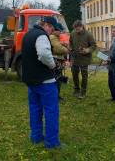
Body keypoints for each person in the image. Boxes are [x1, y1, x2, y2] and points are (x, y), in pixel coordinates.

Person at [21, 16, 60, 149]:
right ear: (48, 25)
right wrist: (52, 65)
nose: (52, 32)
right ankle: (52, 142)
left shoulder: (28, 34)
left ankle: (36, 137)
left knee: (35, 109)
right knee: (51, 111)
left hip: (31, 80)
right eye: (52, 29)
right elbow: (43, 54)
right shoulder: (42, 36)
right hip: (45, 81)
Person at [69, 20, 96, 99]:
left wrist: (87, 50)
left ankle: (83, 92)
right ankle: (76, 89)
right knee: (74, 74)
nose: (76, 30)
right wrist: (70, 47)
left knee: (84, 76)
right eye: (75, 29)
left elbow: (93, 46)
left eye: (78, 29)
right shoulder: (73, 33)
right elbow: (70, 42)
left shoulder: (88, 34)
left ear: (81, 27)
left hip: (85, 58)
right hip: (75, 58)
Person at [49, 23, 69, 101]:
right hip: (56, 61)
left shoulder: (54, 37)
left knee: (58, 79)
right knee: (57, 79)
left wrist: (62, 44)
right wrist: (66, 49)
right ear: (56, 30)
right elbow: (59, 49)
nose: (60, 33)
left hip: (57, 61)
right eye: (59, 31)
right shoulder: (53, 37)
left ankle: (56, 95)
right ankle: (56, 96)